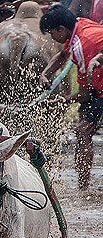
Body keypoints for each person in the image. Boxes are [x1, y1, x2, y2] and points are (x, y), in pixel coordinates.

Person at [39, 4, 103, 190]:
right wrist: (46, 74)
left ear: (61, 29)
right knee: (83, 129)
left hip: (98, 89)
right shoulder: (80, 25)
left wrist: (62, 101)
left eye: (52, 33)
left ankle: (82, 188)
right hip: (97, 85)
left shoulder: (82, 46)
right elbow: (63, 54)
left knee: (83, 132)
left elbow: (84, 95)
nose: (52, 38)